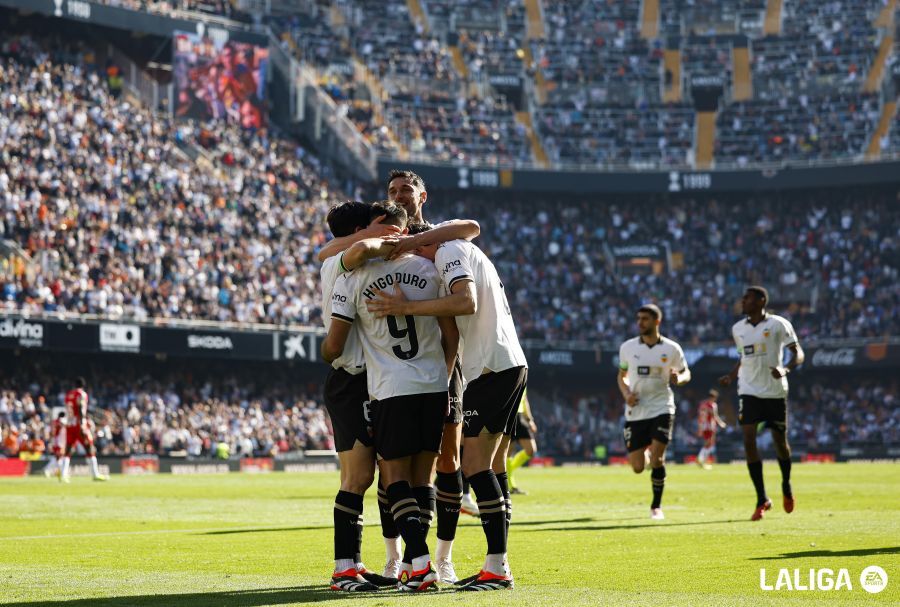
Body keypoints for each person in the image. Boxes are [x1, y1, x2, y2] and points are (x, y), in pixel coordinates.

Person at [317, 171, 479, 582]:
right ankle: (400, 560)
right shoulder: (416, 264)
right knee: (392, 476)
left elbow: (470, 228)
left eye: (406, 189)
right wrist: (379, 243)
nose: (399, 195)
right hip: (411, 378)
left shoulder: (428, 242)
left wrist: (394, 244)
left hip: (395, 379)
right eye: (392, 191)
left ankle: (421, 560)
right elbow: (333, 253)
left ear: (422, 195)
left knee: (398, 472)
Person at [366, 224, 527, 591]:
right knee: (495, 467)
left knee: (474, 466)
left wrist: (407, 307)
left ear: (428, 242)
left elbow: (464, 301)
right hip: (505, 363)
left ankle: (498, 569)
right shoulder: (464, 250)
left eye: (419, 251)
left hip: (491, 366)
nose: (421, 261)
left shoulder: (447, 251)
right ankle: (496, 563)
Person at [320, 201, 399, 592]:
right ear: (359, 230)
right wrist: (375, 236)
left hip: (366, 380)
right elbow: (350, 251)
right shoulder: (341, 263)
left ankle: (354, 562)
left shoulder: (334, 259)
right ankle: (342, 569)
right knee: (357, 477)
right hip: (349, 379)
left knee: (367, 476)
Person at [719, 286, 804, 521]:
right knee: (748, 440)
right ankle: (761, 498)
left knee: (779, 442)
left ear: (761, 300)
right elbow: (743, 357)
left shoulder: (779, 324)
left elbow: (798, 353)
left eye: (747, 298)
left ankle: (786, 484)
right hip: (748, 392)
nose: (743, 301)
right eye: (743, 298)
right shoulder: (738, 329)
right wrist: (731, 375)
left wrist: (785, 368)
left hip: (775, 392)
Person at [617, 304, 691, 520]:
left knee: (658, 459)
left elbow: (686, 372)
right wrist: (626, 394)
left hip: (662, 407)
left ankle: (656, 506)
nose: (640, 323)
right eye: (638, 318)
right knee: (638, 467)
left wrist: (681, 378)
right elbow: (621, 375)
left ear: (657, 322)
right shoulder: (628, 348)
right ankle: (647, 455)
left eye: (645, 319)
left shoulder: (671, 349)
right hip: (636, 410)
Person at [60, 378, 108, 483]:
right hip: (79, 424)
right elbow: (81, 407)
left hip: (70, 424)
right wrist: (82, 423)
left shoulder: (68, 395)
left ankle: (63, 475)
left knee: (68, 450)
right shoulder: (81, 394)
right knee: (89, 448)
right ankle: (95, 474)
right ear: (83, 385)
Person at [507, 388, 538, 495]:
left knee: (531, 450)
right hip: (508, 414)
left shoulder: (522, 375)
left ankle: (508, 470)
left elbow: (524, 399)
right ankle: (511, 486)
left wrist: (530, 419)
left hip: (520, 417)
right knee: (507, 454)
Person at [696, 389, 726, 469]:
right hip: (709, 426)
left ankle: (702, 460)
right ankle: (701, 459)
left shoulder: (702, 404)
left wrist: (700, 427)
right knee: (709, 443)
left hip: (704, 426)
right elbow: (715, 416)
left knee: (708, 443)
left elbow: (700, 417)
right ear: (713, 397)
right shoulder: (712, 405)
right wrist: (721, 423)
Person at [43, 412, 67, 479]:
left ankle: (56, 471)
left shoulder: (54, 422)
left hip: (58, 441)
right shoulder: (60, 421)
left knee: (59, 457)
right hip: (59, 441)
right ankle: (48, 469)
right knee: (58, 456)